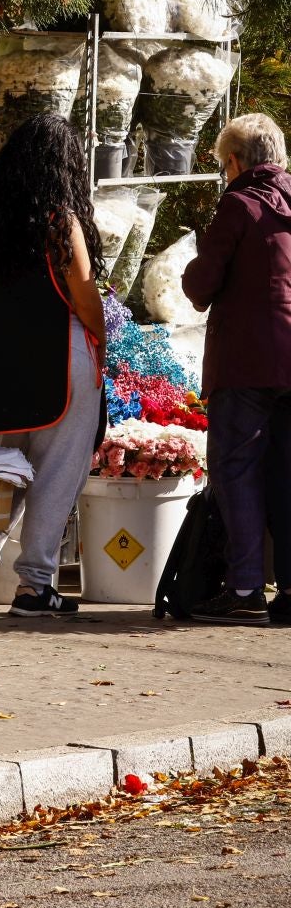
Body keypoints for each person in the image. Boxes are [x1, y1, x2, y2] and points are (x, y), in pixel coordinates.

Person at [0, 114, 106, 618]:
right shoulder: (59, 220)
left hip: (1, 358)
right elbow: (84, 295)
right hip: (61, 357)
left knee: (4, 474)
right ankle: (34, 584)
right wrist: (101, 338)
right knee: (57, 473)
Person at [181, 113, 291, 625]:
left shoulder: (239, 203)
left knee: (238, 469)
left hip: (247, 359)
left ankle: (245, 589)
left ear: (234, 161)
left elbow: (202, 284)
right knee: (286, 473)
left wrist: (190, 273)